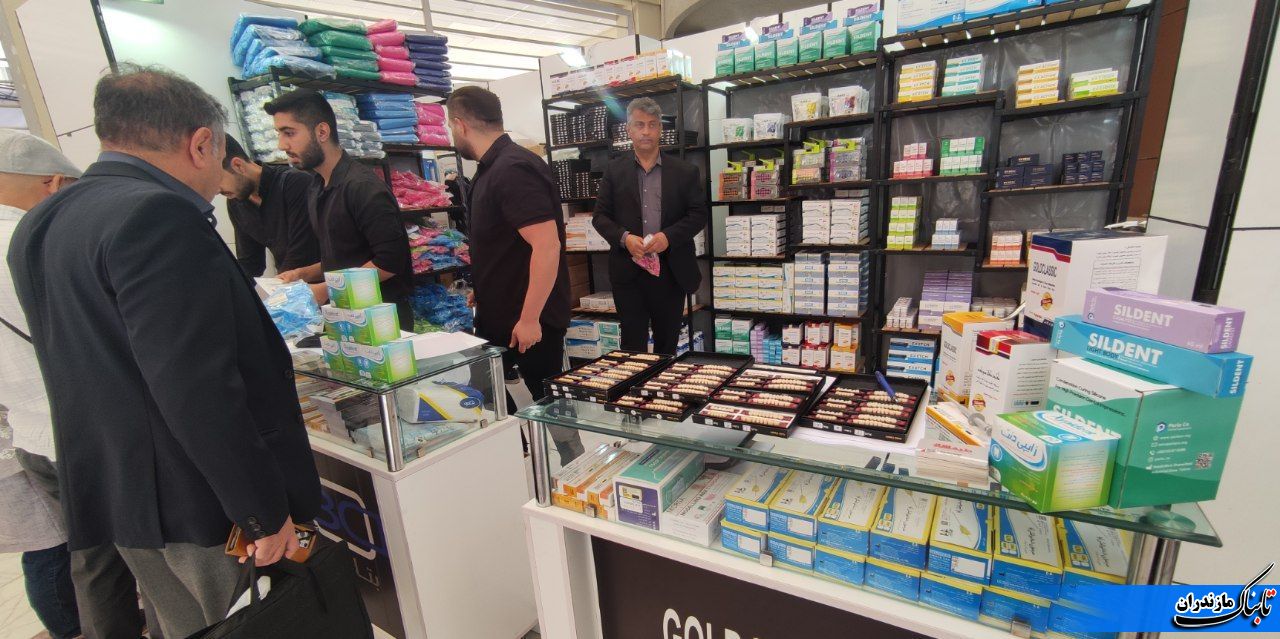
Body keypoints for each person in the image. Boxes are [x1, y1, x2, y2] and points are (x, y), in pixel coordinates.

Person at [7, 65, 321, 639]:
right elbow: (197, 388)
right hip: (197, 504)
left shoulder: (42, 222)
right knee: (248, 622)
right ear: (201, 143)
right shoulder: (158, 216)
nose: (219, 179)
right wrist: (261, 511)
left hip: (120, 496)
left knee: (182, 625)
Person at [445, 86, 583, 463]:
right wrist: (484, 286)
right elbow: (505, 243)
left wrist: (530, 318)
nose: (451, 134)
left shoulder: (512, 169)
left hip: (529, 318)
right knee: (487, 392)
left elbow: (546, 245)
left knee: (548, 397)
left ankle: (576, 467)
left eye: (450, 127)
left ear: (460, 124)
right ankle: (512, 459)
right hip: (502, 312)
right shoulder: (491, 169)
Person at [0, 129, 82, 639]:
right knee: (76, 550)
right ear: (52, 183)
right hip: (70, 427)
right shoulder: (32, 242)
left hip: (25, 431)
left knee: (63, 548)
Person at [264, 89, 414, 328]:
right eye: (279, 134)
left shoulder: (363, 187)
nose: (282, 145)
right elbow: (344, 259)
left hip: (383, 321)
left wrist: (326, 289)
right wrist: (303, 274)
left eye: (289, 133)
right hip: (344, 317)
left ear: (322, 132)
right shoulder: (316, 186)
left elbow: (390, 262)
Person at [592, 97, 707, 354]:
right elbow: (600, 217)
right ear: (629, 130)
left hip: (670, 270)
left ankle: (662, 381)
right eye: (639, 124)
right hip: (628, 272)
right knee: (632, 346)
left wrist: (668, 237)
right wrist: (625, 238)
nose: (646, 131)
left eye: (652, 125)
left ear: (660, 129)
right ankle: (637, 381)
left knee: (667, 345)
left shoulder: (685, 172)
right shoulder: (614, 171)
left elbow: (698, 215)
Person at [220, 133, 320, 278]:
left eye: (218, 179)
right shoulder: (236, 202)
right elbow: (250, 263)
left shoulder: (295, 183)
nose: (217, 190)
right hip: (287, 282)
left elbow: (302, 251)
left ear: (238, 165)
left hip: (327, 282)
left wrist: (279, 287)